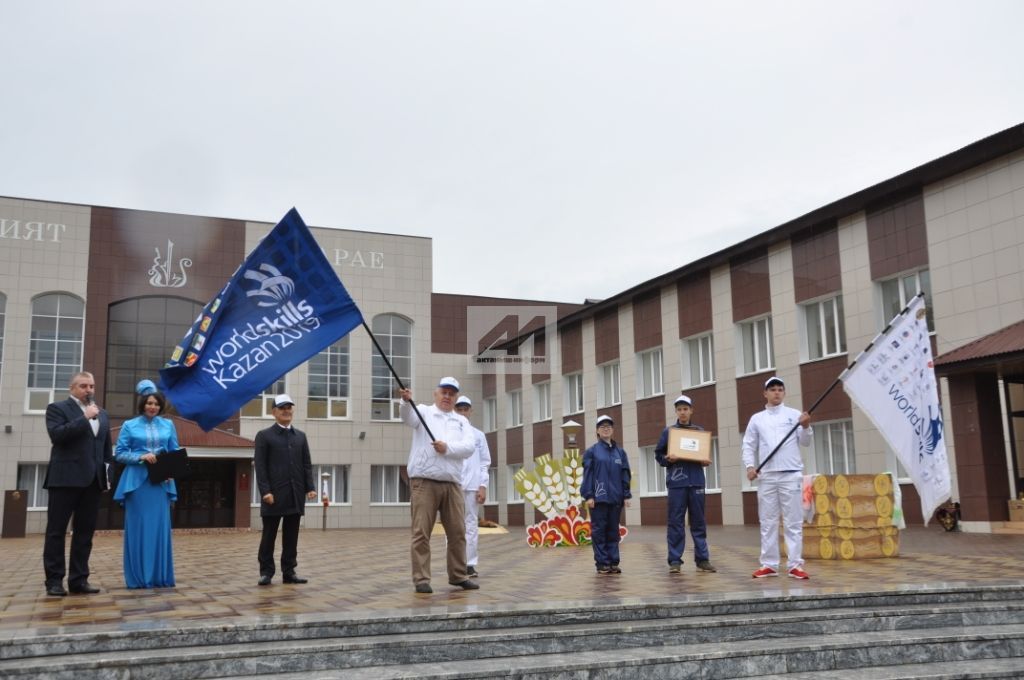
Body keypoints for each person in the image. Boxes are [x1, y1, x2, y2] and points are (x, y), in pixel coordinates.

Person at [398, 377, 479, 594]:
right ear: (436, 393)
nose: (447, 397)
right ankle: (421, 579)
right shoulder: (423, 411)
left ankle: (458, 575)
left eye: (452, 394)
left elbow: (469, 447)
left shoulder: (461, 421)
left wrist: (447, 448)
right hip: (424, 481)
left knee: (457, 532)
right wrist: (406, 402)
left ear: (456, 397)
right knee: (421, 532)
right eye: (444, 392)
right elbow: (407, 418)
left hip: (452, 483)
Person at [42, 371, 113, 596]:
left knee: (84, 533)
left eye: (91, 386)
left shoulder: (102, 415)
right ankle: (54, 581)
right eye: (83, 386)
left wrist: (106, 476)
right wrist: (83, 418)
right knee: (56, 532)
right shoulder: (57, 409)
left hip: (92, 481)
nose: (89, 390)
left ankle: (79, 580)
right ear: (72, 388)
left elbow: (105, 450)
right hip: (65, 479)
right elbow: (58, 435)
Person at [741, 376, 813, 580]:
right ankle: (769, 564)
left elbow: (806, 442)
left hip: (791, 475)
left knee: (793, 522)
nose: (776, 392)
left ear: (784, 392)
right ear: (765, 393)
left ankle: (795, 565)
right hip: (767, 477)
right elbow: (748, 444)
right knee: (768, 521)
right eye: (772, 389)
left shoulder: (795, 415)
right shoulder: (757, 418)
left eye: (780, 389)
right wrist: (749, 466)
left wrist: (806, 426)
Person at [113, 380, 179, 588]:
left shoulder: (168, 425)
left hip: (160, 483)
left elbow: (174, 453)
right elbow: (120, 454)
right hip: (137, 484)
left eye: (156, 404)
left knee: (160, 528)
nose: (153, 407)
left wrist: (171, 471)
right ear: (142, 404)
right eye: (149, 403)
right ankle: (139, 577)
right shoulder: (129, 425)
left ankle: (159, 577)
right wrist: (142, 456)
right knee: (139, 528)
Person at [254, 394, 317, 586]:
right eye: (282, 408)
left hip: (295, 494)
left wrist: (310, 487)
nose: (286, 411)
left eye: (289, 407)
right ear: (274, 412)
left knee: (291, 536)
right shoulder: (264, 436)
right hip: (273, 495)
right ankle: (266, 572)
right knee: (269, 536)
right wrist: (265, 491)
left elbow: (306, 464)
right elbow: (260, 466)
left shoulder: (300, 437)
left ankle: (289, 572)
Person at [654, 394, 716, 574]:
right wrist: (668, 459)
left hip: (696, 483)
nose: (682, 412)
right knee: (675, 522)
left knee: (699, 522)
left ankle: (702, 560)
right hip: (676, 484)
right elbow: (658, 455)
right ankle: (675, 561)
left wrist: (705, 461)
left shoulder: (699, 431)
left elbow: (703, 455)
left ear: (691, 411)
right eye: (679, 409)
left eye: (685, 409)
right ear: (676, 411)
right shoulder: (669, 432)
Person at [581, 415, 632, 574]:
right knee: (599, 531)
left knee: (613, 531)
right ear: (597, 430)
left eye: (609, 426)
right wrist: (589, 495)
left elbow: (625, 475)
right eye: (602, 426)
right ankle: (602, 563)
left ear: (613, 430)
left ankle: (613, 562)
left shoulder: (620, 453)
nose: (606, 428)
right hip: (598, 499)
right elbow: (588, 475)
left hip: (615, 499)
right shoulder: (592, 452)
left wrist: (626, 495)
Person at [454, 395, 491, 578]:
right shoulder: (449, 433)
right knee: (453, 525)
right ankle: (454, 563)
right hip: (453, 485)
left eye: (465, 409)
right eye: (459, 409)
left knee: (471, 526)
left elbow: (485, 463)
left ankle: (469, 563)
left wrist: (483, 485)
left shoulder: (478, 435)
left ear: (470, 411)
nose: (462, 412)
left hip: (473, 487)